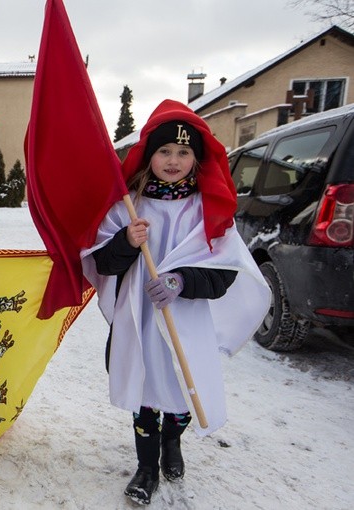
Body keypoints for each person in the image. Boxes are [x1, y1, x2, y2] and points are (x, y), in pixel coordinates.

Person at [80, 100, 269, 505]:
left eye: (184, 152)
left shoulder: (208, 210)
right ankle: (146, 467)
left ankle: (172, 442)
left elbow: (224, 274)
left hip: (187, 317)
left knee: (183, 388)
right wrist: (126, 242)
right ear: (150, 154)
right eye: (165, 150)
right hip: (141, 316)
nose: (173, 160)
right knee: (146, 389)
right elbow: (104, 263)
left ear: (196, 159)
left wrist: (183, 279)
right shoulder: (129, 205)